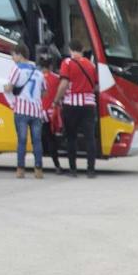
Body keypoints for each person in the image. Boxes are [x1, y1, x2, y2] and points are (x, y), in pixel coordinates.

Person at [53, 45, 101, 178]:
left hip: (71, 105)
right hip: (89, 105)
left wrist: (56, 100)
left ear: (70, 50)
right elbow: (96, 86)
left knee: (71, 138)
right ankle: (91, 170)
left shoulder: (67, 63)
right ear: (82, 50)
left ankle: (73, 170)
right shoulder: (91, 65)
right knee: (90, 138)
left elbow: (63, 84)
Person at [6, 43, 48, 180]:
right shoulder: (38, 71)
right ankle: (38, 170)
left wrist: (5, 88)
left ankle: (20, 170)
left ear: (20, 55)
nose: (13, 58)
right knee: (37, 141)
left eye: (14, 55)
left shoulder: (16, 69)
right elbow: (44, 92)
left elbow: (10, 87)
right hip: (36, 111)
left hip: (21, 110)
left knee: (22, 141)